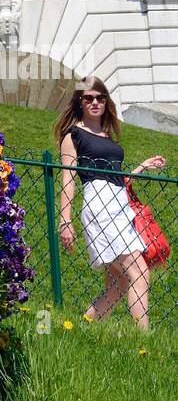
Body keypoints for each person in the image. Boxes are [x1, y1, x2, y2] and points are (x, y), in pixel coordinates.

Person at [56, 78, 166, 331]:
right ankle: (143, 340)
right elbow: (68, 177)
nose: (95, 102)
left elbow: (115, 178)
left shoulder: (107, 135)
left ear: (106, 102)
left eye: (100, 98)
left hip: (119, 202)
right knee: (138, 269)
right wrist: (65, 220)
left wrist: (141, 167)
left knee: (118, 284)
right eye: (88, 98)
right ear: (80, 102)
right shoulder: (74, 135)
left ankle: (81, 328)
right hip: (99, 204)